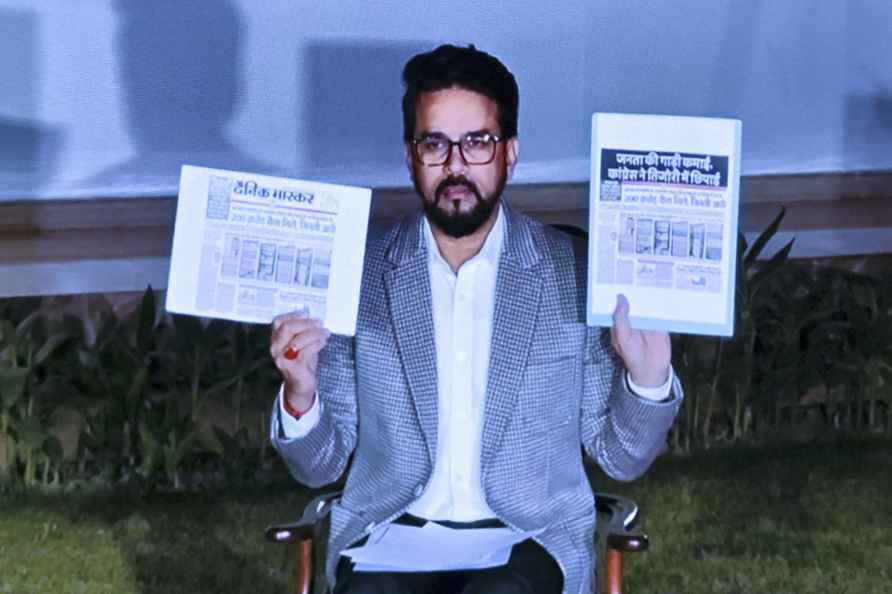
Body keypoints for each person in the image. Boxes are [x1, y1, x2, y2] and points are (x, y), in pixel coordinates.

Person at [270, 44, 682, 594]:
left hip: (527, 540)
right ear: (411, 155)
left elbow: (621, 457)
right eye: (435, 143)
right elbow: (320, 467)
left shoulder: (573, 274)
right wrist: (301, 393)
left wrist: (647, 380)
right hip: (390, 537)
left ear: (510, 154)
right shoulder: (360, 275)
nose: (456, 165)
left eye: (478, 143)